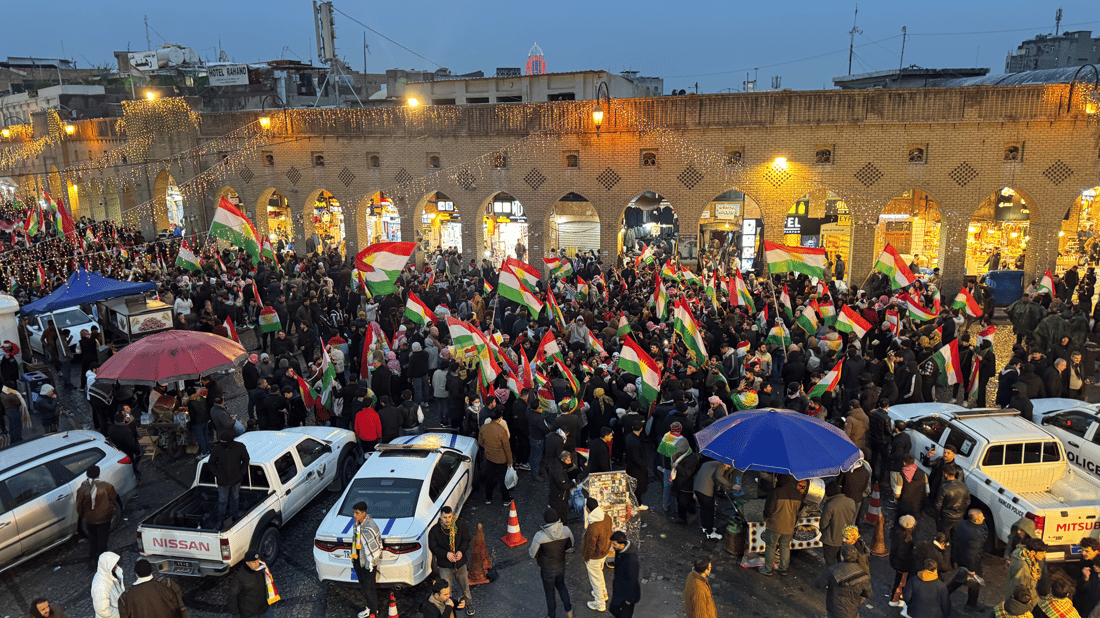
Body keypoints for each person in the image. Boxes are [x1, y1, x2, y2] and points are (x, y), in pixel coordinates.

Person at [427, 506, 475, 617]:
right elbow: (433, 547)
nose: (447, 520)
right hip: (445, 565)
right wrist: (446, 554)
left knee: (465, 586)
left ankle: (468, 604)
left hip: (460, 563)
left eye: (449, 517)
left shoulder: (460, 526)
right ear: (440, 517)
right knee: (446, 590)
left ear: (452, 515)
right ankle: (449, 610)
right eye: (445, 517)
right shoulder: (435, 531)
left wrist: (461, 551)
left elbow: (466, 539)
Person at [758, 475, 806, 577]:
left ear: (781, 480)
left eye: (777, 478)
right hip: (789, 527)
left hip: (774, 526)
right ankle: (784, 569)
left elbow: (768, 510)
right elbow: (800, 510)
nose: (775, 480)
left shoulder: (776, 492)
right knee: (785, 547)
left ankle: (767, 569)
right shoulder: (798, 494)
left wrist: (765, 518)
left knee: (770, 547)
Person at [814, 544, 873, 618]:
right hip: (851, 611)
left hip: (834, 610)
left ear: (842, 556)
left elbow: (818, 584)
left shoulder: (833, 570)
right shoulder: (862, 574)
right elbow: (868, 594)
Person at [76, 465, 118, 566]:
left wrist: (84, 516)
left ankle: (92, 557)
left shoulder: (82, 489)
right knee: (103, 539)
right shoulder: (107, 486)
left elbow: (79, 506)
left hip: (90, 519)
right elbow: (113, 497)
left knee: (92, 538)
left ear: (87, 474)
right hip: (105, 517)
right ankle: (102, 560)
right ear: (98, 473)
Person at [118, 559, 189, 618]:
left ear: (136, 574)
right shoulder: (167, 585)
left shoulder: (126, 597)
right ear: (151, 571)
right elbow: (180, 608)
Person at [949, 509, 988, 613]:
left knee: (961, 576)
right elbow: (973, 554)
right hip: (972, 562)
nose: (984, 518)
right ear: (975, 521)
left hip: (961, 557)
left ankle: (945, 592)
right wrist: (972, 570)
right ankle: (971, 604)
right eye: (981, 518)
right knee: (975, 582)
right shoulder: (977, 536)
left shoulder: (962, 524)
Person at [209, 430, 250, 528]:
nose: (222, 442)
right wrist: (217, 474)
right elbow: (211, 463)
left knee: (235, 499)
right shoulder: (217, 449)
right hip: (223, 481)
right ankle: (220, 520)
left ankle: (234, 516)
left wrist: (241, 473)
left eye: (223, 441)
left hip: (235, 479)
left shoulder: (239, 447)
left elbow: (246, 460)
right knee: (222, 501)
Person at [350, 501, 383, 618]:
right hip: (358, 560)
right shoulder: (357, 524)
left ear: (364, 513)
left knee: (370, 588)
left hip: (369, 562)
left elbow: (375, 546)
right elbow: (355, 540)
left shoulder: (370, 526)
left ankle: (374, 612)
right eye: (354, 512)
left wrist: (371, 563)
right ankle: (369, 608)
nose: (354, 515)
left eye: (357, 513)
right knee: (364, 586)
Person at [227, 550, 279, 618]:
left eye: (258, 560)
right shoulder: (240, 577)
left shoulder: (263, 569)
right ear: (247, 563)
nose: (257, 563)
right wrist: (236, 613)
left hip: (265, 608)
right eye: (254, 562)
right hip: (250, 613)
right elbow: (232, 595)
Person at [477, 407, 513, 505]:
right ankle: (505, 499)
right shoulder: (501, 431)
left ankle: (488, 498)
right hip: (501, 458)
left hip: (489, 457)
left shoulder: (484, 428)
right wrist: (510, 461)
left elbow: (480, 442)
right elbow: (507, 448)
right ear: (499, 419)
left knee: (489, 478)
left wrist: (487, 448)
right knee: (503, 479)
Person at [582, 497, 612, 612]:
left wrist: (587, 558)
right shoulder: (607, 517)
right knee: (599, 574)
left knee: (595, 580)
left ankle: (600, 604)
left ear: (588, 509)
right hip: (604, 552)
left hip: (594, 556)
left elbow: (590, 546)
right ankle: (604, 594)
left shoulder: (593, 527)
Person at [818, 482, 857, 566]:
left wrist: (824, 532)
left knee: (830, 562)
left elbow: (823, 524)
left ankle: (833, 574)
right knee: (843, 561)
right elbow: (853, 517)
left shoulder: (830, 504)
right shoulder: (851, 502)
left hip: (831, 540)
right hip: (845, 538)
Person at [694, 459, 733, 540]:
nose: (729, 467)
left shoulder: (708, 463)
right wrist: (730, 485)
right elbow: (719, 477)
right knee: (709, 511)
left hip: (697, 488)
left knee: (703, 509)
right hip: (706, 491)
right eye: (729, 465)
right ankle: (710, 533)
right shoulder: (721, 465)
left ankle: (705, 527)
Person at [1007, 537, 1048, 609]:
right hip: (1024, 601)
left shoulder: (1023, 555)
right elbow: (1023, 591)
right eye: (1041, 553)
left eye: (1045, 552)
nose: (1044, 555)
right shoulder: (1023, 567)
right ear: (1033, 552)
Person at [608, 531, 640, 618]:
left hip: (627, 594)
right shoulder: (620, 550)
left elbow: (633, 580)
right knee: (613, 609)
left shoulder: (631, 560)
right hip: (619, 588)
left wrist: (629, 599)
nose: (612, 546)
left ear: (622, 544)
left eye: (614, 544)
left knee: (625, 615)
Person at [934, 464, 970, 540]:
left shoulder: (944, 488)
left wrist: (939, 516)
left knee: (943, 537)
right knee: (955, 537)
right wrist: (961, 511)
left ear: (945, 474)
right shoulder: (964, 485)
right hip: (959, 516)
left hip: (946, 517)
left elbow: (938, 505)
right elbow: (967, 501)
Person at [888, 515, 917, 611]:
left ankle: (897, 597)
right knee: (900, 581)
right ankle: (894, 599)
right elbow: (902, 554)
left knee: (900, 580)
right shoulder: (904, 540)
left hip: (896, 561)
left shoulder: (896, 532)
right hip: (902, 564)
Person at [107, 412, 142, 480]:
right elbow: (131, 443)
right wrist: (137, 452)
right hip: (127, 450)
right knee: (131, 464)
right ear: (123, 420)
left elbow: (110, 439)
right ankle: (135, 475)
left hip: (118, 450)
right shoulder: (125, 430)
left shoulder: (111, 428)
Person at [91, 551, 125, 618]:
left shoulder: (108, 574)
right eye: (114, 564)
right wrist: (121, 614)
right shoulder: (100, 586)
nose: (116, 565)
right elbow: (103, 611)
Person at [624, 420, 649, 510]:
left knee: (632, 487)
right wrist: (644, 467)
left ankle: (633, 503)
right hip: (637, 469)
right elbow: (637, 458)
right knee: (638, 488)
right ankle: (638, 504)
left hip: (630, 466)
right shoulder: (636, 441)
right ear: (641, 429)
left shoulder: (629, 437)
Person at [548, 450, 576, 525]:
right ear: (563, 460)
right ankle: (562, 524)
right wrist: (572, 484)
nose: (570, 462)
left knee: (560, 510)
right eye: (568, 460)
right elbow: (563, 485)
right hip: (559, 496)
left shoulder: (557, 465)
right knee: (561, 511)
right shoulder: (558, 471)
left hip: (555, 494)